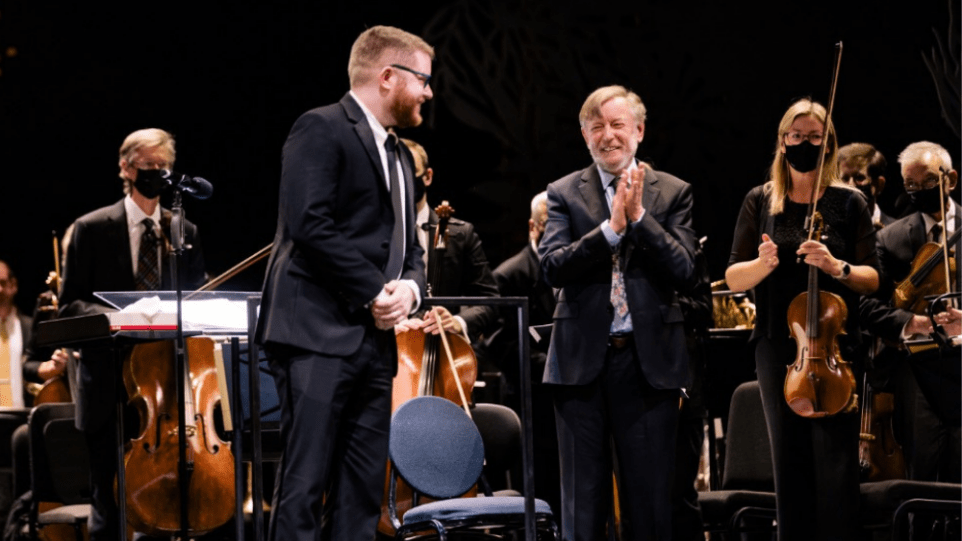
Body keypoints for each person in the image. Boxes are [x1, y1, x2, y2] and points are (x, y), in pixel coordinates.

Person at [253, 25, 432, 541]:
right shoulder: (321, 127)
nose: (428, 91)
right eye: (422, 79)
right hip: (315, 335)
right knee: (304, 483)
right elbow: (309, 223)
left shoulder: (400, 153)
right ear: (388, 77)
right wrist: (376, 291)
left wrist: (410, 289)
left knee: (360, 492)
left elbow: (411, 248)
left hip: (374, 344)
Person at [539, 85, 698, 541]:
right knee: (582, 508)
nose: (608, 135)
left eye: (618, 125)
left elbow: (685, 269)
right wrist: (610, 230)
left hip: (648, 366)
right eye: (597, 126)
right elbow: (551, 266)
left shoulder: (673, 191)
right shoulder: (563, 192)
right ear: (585, 136)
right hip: (578, 366)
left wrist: (640, 218)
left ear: (639, 131)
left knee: (649, 507)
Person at [725, 98, 879, 541]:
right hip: (779, 347)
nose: (805, 144)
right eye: (797, 137)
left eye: (815, 138)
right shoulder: (761, 201)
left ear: (828, 144)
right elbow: (734, 276)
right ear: (782, 141)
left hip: (837, 350)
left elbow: (873, 278)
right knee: (788, 466)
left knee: (836, 469)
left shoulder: (850, 203)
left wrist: (837, 267)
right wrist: (764, 264)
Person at [58, 127, 207, 541]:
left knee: (172, 500)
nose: (158, 174)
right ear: (126, 167)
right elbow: (71, 305)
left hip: (169, 389)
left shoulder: (184, 232)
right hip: (109, 384)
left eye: (165, 166)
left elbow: (195, 301)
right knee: (110, 502)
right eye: (149, 166)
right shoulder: (91, 228)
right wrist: (123, 316)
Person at [859, 141, 960, 483]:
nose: (919, 192)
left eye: (929, 182)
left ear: (952, 179)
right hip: (917, 370)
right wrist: (912, 322)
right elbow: (869, 306)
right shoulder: (890, 239)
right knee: (923, 473)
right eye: (911, 186)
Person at [484, 191, 561, 513]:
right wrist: (552, 366)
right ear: (533, 226)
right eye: (549, 225)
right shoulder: (509, 274)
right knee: (539, 493)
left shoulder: (576, 268)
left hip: (571, 399)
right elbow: (498, 345)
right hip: (532, 402)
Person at [395, 138, 499, 343]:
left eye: (410, 170)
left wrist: (457, 321)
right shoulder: (370, 233)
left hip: (442, 346)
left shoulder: (461, 235)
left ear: (427, 176)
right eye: (396, 172)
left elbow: (489, 301)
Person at [838, 142, 895, 229]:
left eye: (859, 178)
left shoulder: (898, 232)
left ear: (879, 185)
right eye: (844, 179)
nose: (850, 186)